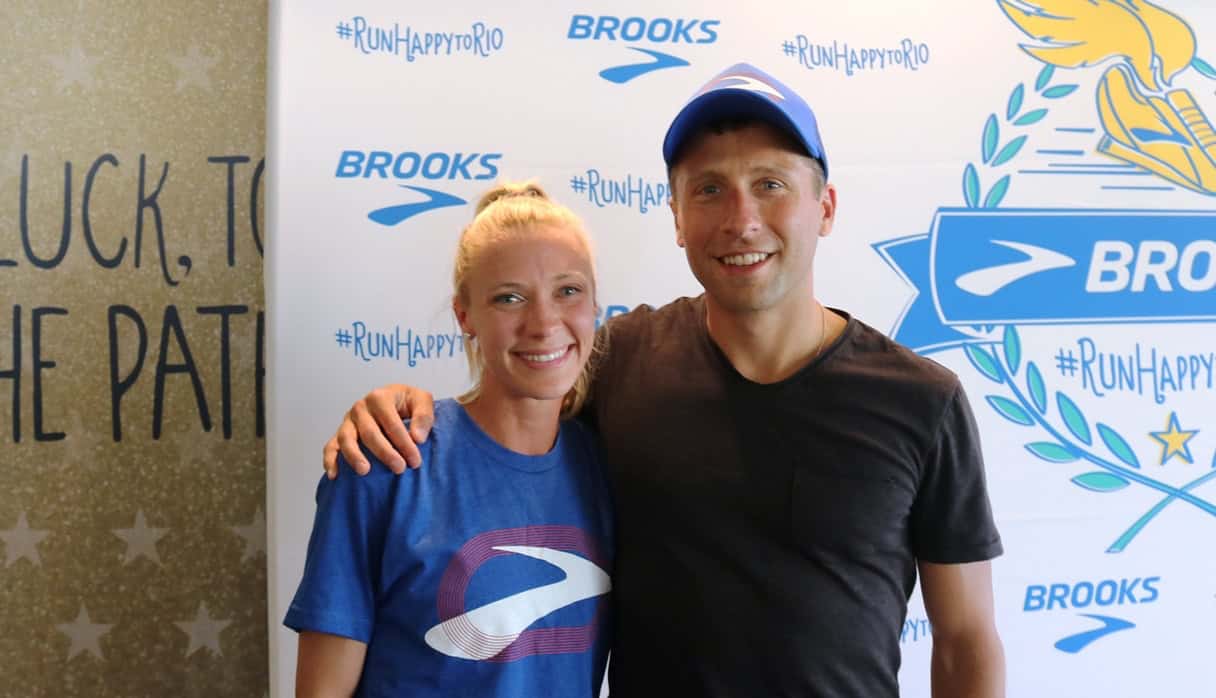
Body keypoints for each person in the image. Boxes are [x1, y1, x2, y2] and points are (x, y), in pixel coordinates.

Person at [324, 64, 1006, 696]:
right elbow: (502, 429)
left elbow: (966, 639)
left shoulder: (922, 401)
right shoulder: (620, 361)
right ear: (677, 219)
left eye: (770, 183)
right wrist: (396, 408)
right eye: (709, 189)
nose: (741, 219)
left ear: (824, 207)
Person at [286, 182, 615, 697]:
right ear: (465, 316)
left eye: (568, 291)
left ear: (596, 303)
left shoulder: (609, 466)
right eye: (509, 298)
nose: (545, 322)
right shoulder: (390, 459)